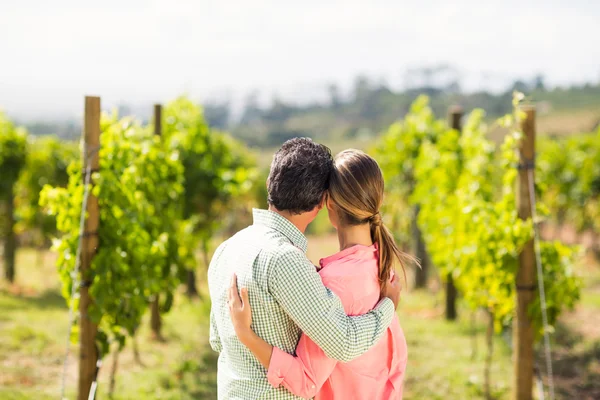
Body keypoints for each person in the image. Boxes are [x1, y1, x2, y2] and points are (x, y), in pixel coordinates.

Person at [208, 139, 402, 399]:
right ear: (322, 202)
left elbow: (217, 341)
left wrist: (244, 335)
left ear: (269, 184)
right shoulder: (287, 261)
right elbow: (342, 344)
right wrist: (388, 304)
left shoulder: (225, 249)